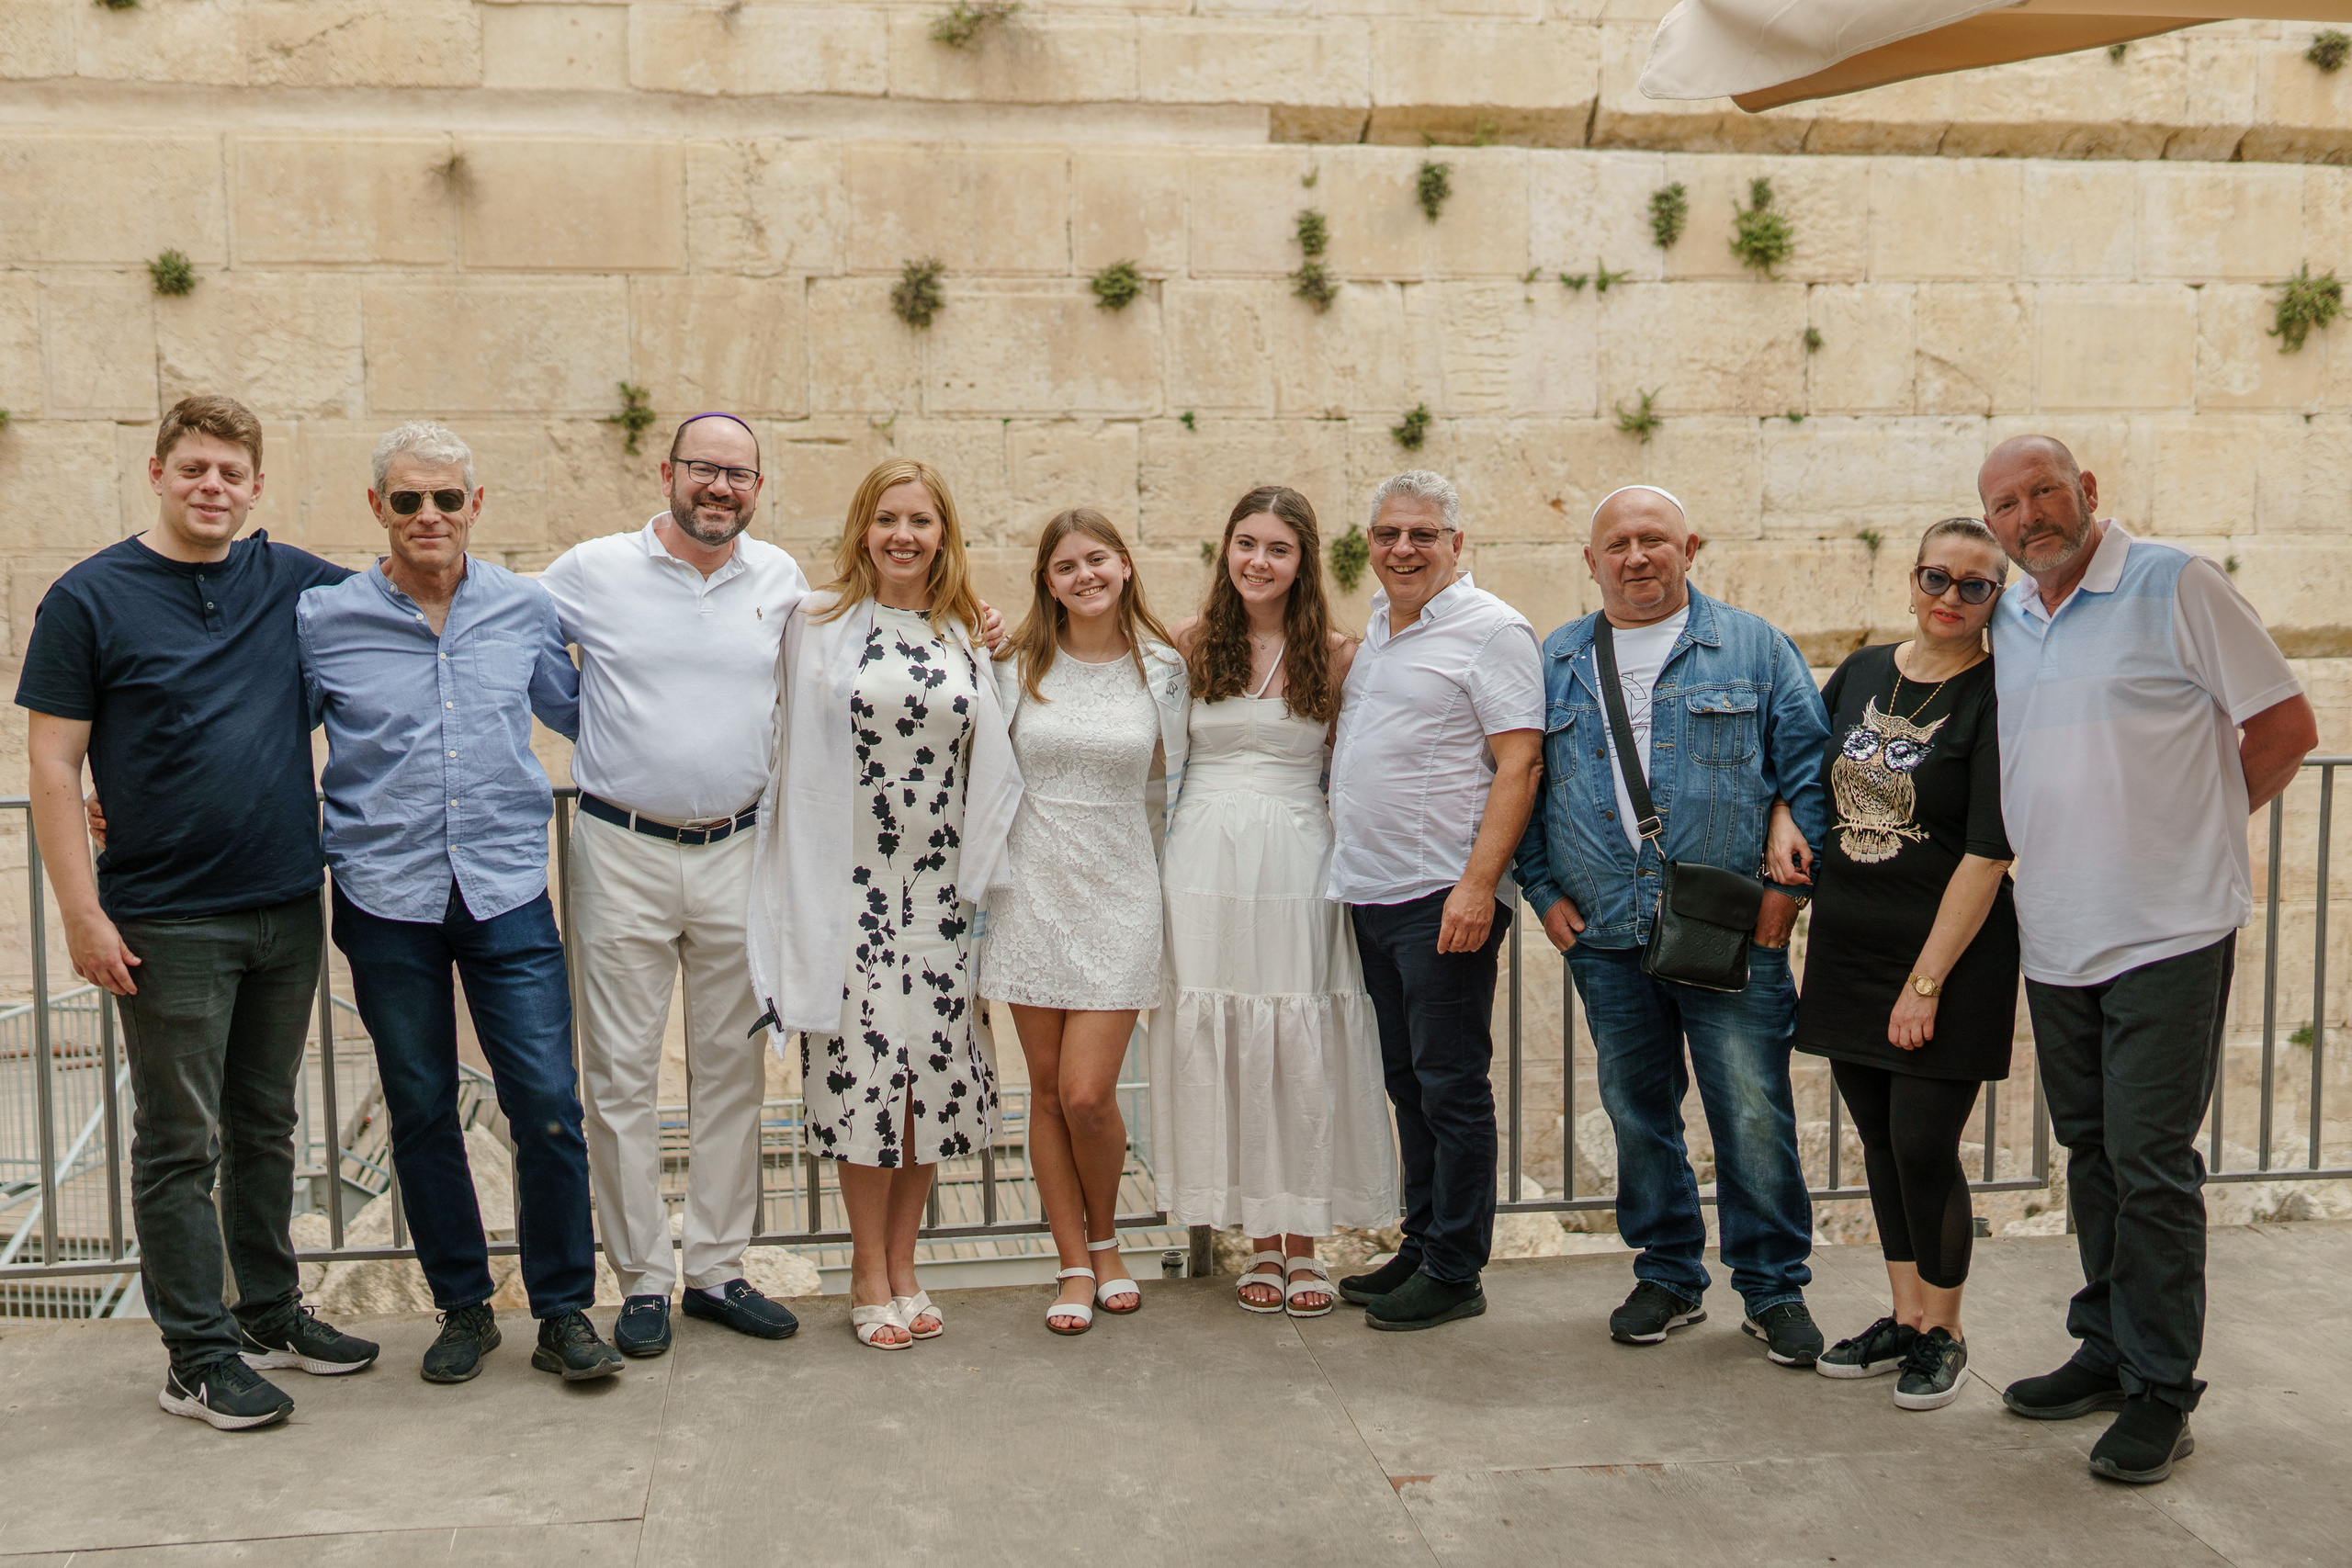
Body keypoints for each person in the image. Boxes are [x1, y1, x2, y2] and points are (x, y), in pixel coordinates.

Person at [17, 395, 379, 1430]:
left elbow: (403, 620)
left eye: (231, 472)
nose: (211, 487)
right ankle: (195, 1355)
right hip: (166, 921)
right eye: (194, 470)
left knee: (267, 1123)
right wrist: (82, 915)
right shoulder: (89, 598)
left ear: (256, 486)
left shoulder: (294, 582)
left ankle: (269, 1311)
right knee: (182, 1139)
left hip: (283, 906)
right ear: (158, 474)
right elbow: (52, 766)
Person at [1979, 434, 2314, 1483]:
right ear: (1990, 523)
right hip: (2058, 932)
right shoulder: (2012, 613)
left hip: (2168, 929)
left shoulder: (2176, 583)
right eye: (2004, 503)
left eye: (2043, 492)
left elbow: (2286, 726)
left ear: (2086, 492)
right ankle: (2108, 1345)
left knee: (2151, 1162)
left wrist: (2196, 829)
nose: (2028, 514)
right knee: (2091, 1153)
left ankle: (2164, 1390)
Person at [298, 421, 622, 1386]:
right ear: (378, 510)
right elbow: (257, 733)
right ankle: (464, 1307)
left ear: (475, 506)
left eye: (447, 498)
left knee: (549, 1105)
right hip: (382, 896)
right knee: (421, 1108)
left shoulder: (523, 608)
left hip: (505, 890)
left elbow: (589, 708)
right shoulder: (326, 620)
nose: (428, 515)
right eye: (408, 500)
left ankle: (564, 1312)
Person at [1514, 484, 1832, 1367]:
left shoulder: (1755, 648)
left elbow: (1807, 772)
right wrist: (1543, 895)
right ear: (1591, 562)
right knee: (1637, 1110)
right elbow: (1522, 782)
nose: (1636, 556)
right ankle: (1667, 1272)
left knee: (1753, 1111)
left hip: (1730, 928)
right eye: (1617, 544)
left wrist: (1785, 900)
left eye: (1654, 539)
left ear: (1690, 546)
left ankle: (1772, 1288)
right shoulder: (1558, 658)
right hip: (1606, 933)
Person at [539, 414, 809, 1358]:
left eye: (738, 475)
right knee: (617, 1072)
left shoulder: (779, 581)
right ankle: (644, 1277)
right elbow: (516, 641)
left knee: (733, 1066)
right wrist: (586, 722)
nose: (719, 489)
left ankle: (717, 1270)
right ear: (668, 472)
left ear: (757, 488)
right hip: (621, 846)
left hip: (740, 849)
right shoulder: (591, 569)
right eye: (703, 469)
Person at [744, 458, 1021, 1350]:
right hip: (850, 889)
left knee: (930, 1083)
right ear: (864, 527)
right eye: (888, 518)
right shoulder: (816, 624)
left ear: (945, 536)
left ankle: (907, 1265)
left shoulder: (965, 636)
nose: (904, 535)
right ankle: (867, 1269)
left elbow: (997, 753)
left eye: (922, 521)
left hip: (942, 898)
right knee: (864, 1080)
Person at [1148, 485, 1393, 1319]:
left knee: (1298, 1040)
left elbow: (1364, 768)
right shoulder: (1186, 643)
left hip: (1297, 860)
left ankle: (1304, 1242)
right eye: (1245, 543)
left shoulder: (1337, 654)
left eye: (1278, 549)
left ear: (1303, 562)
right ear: (1226, 549)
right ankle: (1257, 1235)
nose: (1258, 561)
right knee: (1224, 1036)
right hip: (1203, 860)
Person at [1794, 517, 2019, 1411]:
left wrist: (1924, 983)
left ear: (1996, 599)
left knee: (1927, 1144)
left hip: (1948, 952)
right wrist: (1783, 830)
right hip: (1849, 945)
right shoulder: (1857, 674)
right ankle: (1902, 1314)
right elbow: (1804, 779)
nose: (1951, 599)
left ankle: (1945, 1330)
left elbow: (1988, 849)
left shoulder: (2000, 696)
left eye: (1975, 586)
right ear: (1911, 578)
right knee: (1880, 1143)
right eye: (1937, 577)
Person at [1326, 470, 1544, 1332]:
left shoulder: (1492, 632)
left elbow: (1519, 764)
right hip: (1374, 893)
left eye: (1422, 534)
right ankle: (1422, 1243)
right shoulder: (1381, 628)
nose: (1403, 549)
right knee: (1408, 1080)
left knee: (1452, 1084)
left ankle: (1457, 1267)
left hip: (1442, 897)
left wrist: (1479, 886)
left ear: (1459, 544)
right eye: (1387, 534)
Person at [986, 508, 1190, 1336]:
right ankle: (1077, 1260)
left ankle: (1107, 1240)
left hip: (1121, 889)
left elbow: (1192, 778)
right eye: (1066, 566)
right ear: (1047, 580)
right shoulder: (1014, 664)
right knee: (1043, 1092)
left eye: (1097, 559)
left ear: (1126, 565)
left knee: (1088, 1093)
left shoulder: (1165, 669)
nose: (1085, 576)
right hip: (1032, 888)